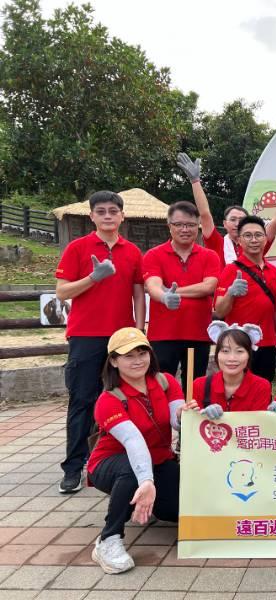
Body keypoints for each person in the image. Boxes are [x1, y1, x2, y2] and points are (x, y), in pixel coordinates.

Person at [55, 190, 146, 494]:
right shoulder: (77, 248)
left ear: (122, 216)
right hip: (85, 336)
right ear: (92, 216)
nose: (108, 216)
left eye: (113, 211)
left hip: (121, 340)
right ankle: (72, 467)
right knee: (82, 401)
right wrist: (93, 278)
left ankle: (115, 458)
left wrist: (138, 331)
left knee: (122, 399)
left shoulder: (133, 251)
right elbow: (62, 292)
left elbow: (138, 294)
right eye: (102, 211)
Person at [86, 328, 183, 574]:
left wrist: (186, 416)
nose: (137, 360)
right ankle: (108, 540)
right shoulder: (108, 400)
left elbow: (176, 420)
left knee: (176, 510)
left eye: (142, 352)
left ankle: (141, 501)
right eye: (128, 355)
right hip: (111, 464)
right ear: (114, 361)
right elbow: (133, 441)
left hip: (159, 461)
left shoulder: (165, 381)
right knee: (131, 471)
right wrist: (147, 482)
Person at [176, 152, 276, 264]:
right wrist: (195, 181)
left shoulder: (256, 244)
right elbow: (205, 214)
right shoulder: (216, 243)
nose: (237, 223)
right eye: (233, 219)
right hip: (223, 297)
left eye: (241, 220)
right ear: (225, 224)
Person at [142, 201, 220, 389]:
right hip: (163, 334)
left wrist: (174, 292)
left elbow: (209, 286)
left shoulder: (210, 256)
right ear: (169, 226)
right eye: (179, 224)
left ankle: (190, 419)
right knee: (161, 384)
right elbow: (152, 285)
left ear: (198, 226)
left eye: (191, 225)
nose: (185, 229)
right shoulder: (154, 255)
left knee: (194, 387)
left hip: (198, 333)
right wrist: (163, 296)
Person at [214, 215, 276, 381]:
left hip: (267, 345)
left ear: (265, 238)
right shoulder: (231, 271)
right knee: (237, 392)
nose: (254, 240)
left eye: (258, 235)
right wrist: (231, 293)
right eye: (248, 235)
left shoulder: (273, 271)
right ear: (239, 240)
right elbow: (219, 311)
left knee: (263, 393)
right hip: (239, 346)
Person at [188, 322, 274, 415]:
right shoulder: (200, 385)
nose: (232, 358)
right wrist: (199, 415)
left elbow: (259, 425)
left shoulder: (261, 386)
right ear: (217, 354)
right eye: (225, 351)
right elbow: (192, 421)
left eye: (239, 351)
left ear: (249, 355)